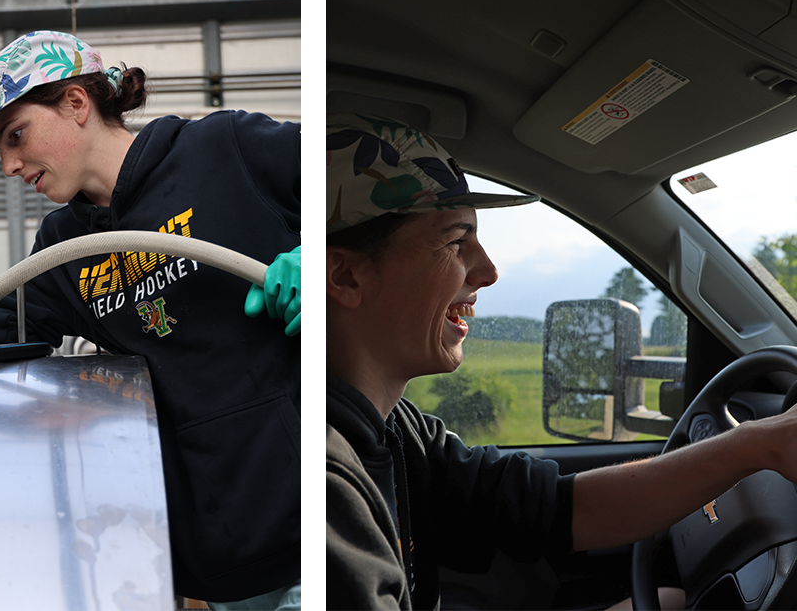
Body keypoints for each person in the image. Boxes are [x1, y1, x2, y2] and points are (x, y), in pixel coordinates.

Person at [325, 113, 797, 611]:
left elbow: (560, 509)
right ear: (346, 276)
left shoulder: (396, 430)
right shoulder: (327, 483)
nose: (488, 271)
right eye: (455, 242)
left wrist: (757, 445)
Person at [0, 30, 300, 611]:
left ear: (75, 103)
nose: (9, 165)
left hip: (313, 514)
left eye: (16, 136)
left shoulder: (224, 149)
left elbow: (358, 196)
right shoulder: (62, 248)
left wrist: (319, 256)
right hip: (217, 554)